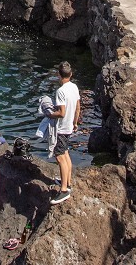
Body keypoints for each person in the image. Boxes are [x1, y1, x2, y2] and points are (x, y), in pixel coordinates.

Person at [49, 62, 82, 205]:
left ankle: (64, 191)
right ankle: (67, 182)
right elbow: (78, 107)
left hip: (61, 129)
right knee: (66, 153)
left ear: (58, 75)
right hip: (69, 126)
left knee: (60, 157)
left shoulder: (60, 91)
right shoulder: (74, 87)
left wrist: (50, 114)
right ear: (71, 74)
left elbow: (61, 113)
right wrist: (75, 123)